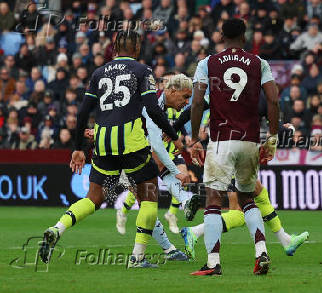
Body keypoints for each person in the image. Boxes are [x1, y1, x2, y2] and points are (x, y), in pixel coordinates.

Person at [38, 31, 189, 269]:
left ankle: (57, 229)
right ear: (137, 48)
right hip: (131, 142)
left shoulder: (98, 73)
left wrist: (78, 148)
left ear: (115, 48)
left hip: (103, 141)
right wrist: (174, 136)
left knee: (93, 198)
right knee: (149, 199)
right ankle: (137, 258)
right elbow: (153, 108)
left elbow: (81, 113)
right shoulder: (142, 71)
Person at [188, 18, 307, 276]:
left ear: (221, 36)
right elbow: (274, 100)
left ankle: (212, 263)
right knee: (247, 198)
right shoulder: (259, 63)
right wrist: (272, 138)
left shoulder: (207, 63)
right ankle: (261, 252)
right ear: (245, 36)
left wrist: (195, 138)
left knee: (213, 198)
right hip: (250, 140)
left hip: (221, 140)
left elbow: (197, 102)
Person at [116, 73, 200, 235]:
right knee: (146, 201)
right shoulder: (153, 105)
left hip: (138, 148)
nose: (187, 101)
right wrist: (177, 173)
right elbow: (156, 144)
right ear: (172, 91)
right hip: (125, 151)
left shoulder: (161, 105)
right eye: (185, 97)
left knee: (149, 201)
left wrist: (177, 136)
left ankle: (183, 201)